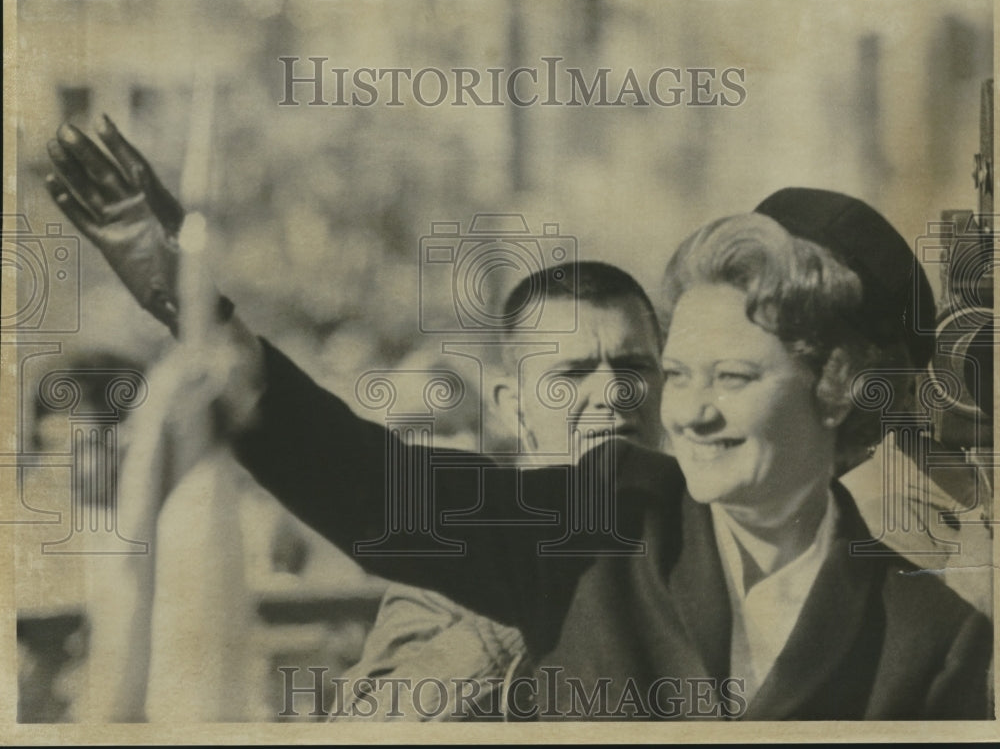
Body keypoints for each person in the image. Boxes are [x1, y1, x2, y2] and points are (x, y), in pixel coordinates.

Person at [44, 119, 993, 719]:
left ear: (843, 404)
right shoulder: (601, 522)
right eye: (683, 371)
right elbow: (364, 481)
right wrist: (188, 294)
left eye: (738, 376)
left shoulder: (932, 636)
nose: (687, 412)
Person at [337, 262, 664, 720]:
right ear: (515, 407)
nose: (612, 392)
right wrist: (528, 598)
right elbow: (362, 724)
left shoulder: (721, 526)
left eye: (635, 366)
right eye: (572, 374)